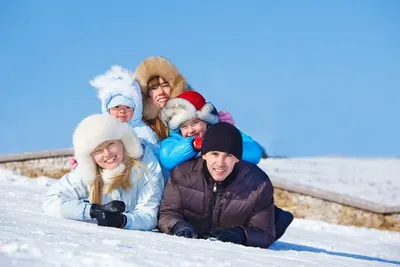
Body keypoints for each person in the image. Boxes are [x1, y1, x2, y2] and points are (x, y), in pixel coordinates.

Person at [158, 122, 276, 248]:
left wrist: (241, 234)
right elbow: (167, 213)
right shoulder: (182, 175)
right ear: (204, 155)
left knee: (278, 220)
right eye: (214, 154)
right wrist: (178, 225)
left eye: (228, 156)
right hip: (194, 241)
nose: (220, 163)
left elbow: (265, 233)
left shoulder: (258, 184)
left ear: (237, 159)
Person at [43, 114, 164, 230]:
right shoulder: (88, 171)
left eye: (110, 144)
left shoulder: (146, 164)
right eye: (98, 151)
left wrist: (123, 220)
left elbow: (149, 214)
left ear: (121, 142)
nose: (107, 153)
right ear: (91, 157)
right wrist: (93, 210)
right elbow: (52, 201)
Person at [68, 65, 159, 169]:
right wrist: (81, 160)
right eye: (116, 107)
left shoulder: (144, 131)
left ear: (136, 109)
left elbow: (156, 155)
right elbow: (93, 149)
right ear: (108, 110)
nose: (122, 111)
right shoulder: (101, 131)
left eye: (128, 107)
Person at [134, 56, 235, 141]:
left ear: (174, 87)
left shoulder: (196, 110)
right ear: (146, 94)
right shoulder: (144, 125)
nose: (160, 92)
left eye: (165, 85)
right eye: (154, 88)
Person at [159, 91, 263, 171]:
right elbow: (167, 158)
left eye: (195, 123)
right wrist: (193, 146)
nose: (190, 130)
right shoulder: (175, 141)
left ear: (206, 121)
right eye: (184, 126)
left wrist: (222, 144)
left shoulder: (224, 132)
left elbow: (254, 152)